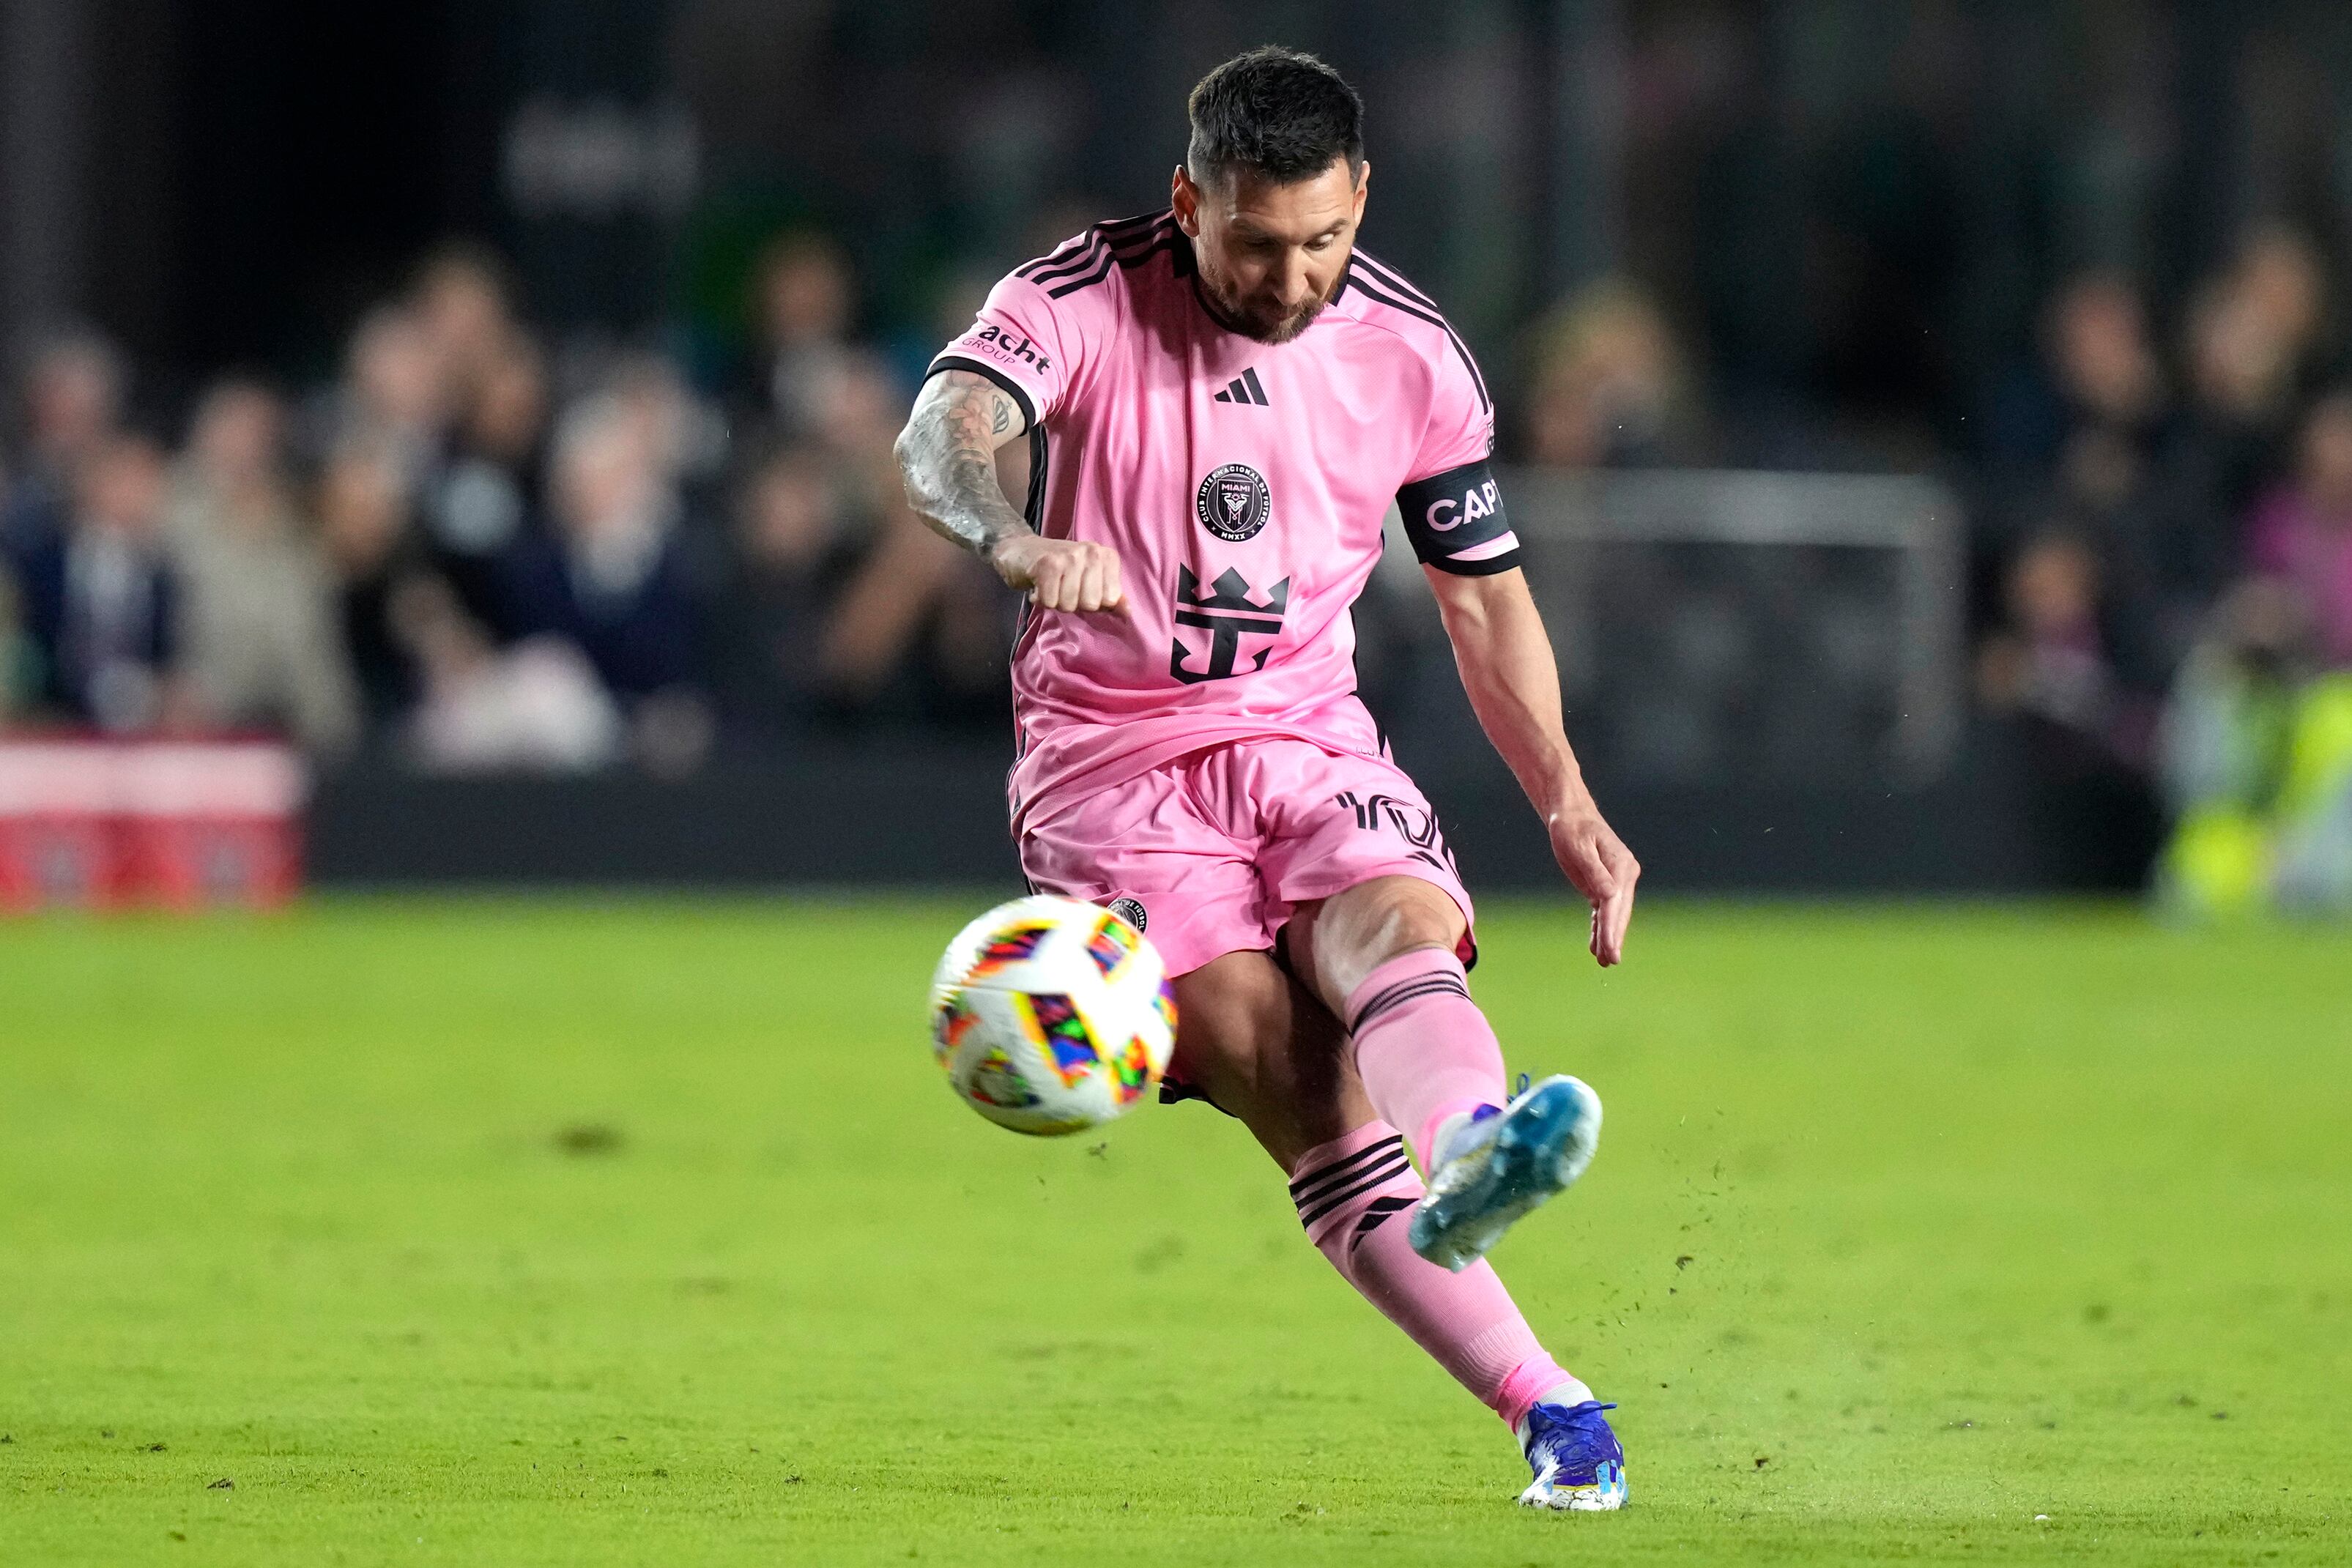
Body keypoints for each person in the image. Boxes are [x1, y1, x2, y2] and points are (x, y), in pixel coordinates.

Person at [894, 48, 1636, 1510]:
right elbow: (943, 432)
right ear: (1188, 202)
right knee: (1286, 1065)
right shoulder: (1081, 298)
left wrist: (1567, 798)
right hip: (1111, 767)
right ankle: (1553, 1405)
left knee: (1391, 922)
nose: (1290, 278)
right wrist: (1013, 539)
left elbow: (1483, 599)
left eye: (1323, 240)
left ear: (1360, 199)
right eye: (1253, 242)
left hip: (1303, 730)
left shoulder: (1414, 355)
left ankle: (1478, 1152)